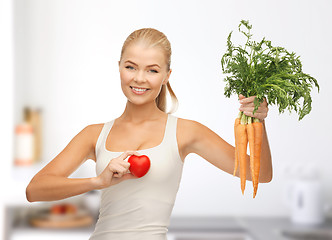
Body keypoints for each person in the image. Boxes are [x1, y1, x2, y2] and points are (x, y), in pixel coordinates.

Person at [26, 28, 272, 240]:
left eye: (152, 70)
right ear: (119, 67)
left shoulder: (186, 132)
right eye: (131, 67)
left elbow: (261, 175)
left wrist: (258, 123)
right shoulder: (94, 134)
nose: (139, 78)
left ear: (167, 76)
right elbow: (35, 190)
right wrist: (98, 182)